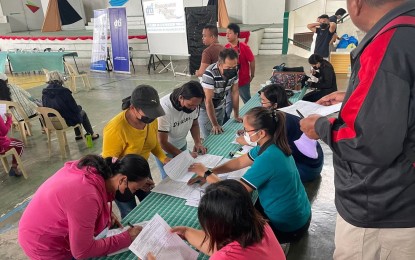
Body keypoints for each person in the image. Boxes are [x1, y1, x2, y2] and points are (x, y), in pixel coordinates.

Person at [299, 0, 415, 259]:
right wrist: (354, 95)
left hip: (383, 206)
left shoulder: (388, 43)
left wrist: (318, 125)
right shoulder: (409, 29)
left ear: (357, 3)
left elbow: (367, 141)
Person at [190, 107, 311, 243]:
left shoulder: (269, 157)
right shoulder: (271, 145)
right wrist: (213, 171)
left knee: (230, 225)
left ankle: (273, 244)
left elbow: (233, 194)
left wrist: (206, 174)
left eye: (247, 131)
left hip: (287, 228)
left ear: (261, 133)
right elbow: (240, 161)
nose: (244, 134)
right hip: (299, 215)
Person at [18, 154, 150, 259]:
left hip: (46, 226)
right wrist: (126, 237)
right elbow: (82, 251)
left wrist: (102, 213)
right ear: (122, 180)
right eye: (134, 189)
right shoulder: (86, 196)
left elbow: (75, 207)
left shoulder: (98, 170)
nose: (133, 193)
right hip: (43, 243)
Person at [172, 180, 285, 259]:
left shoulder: (225, 257)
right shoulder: (260, 224)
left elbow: (225, 255)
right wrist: (186, 232)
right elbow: (228, 251)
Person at [102, 85, 168, 218]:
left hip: (141, 169)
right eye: (148, 113)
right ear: (133, 108)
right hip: (122, 178)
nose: (152, 117)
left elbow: (153, 144)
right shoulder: (116, 128)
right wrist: (131, 183)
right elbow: (108, 165)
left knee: (151, 206)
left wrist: (164, 158)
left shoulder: (151, 120)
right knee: (130, 214)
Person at [236, 84, 324, 182]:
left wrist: (247, 140)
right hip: (314, 160)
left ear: (275, 105)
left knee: (265, 172)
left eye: (263, 101)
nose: (261, 104)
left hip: (307, 169)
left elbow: (268, 144)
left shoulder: (282, 122)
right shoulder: (285, 110)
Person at [156, 81, 207, 179]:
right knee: (169, 179)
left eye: (196, 106)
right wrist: (184, 156)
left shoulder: (195, 103)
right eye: (190, 105)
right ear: (181, 98)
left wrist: (197, 142)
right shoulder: (164, 108)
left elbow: (194, 124)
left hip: (182, 144)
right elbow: (162, 142)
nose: (193, 108)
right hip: (164, 151)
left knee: (185, 175)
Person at [42, 71, 99, 141]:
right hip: (65, 121)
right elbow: (74, 108)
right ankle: (91, 134)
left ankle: (78, 135)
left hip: (51, 122)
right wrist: (79, 107)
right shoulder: (64, 91)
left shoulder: (44, 93)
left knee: (72, 113)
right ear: (60, 78)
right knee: (81, 112)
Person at [199, 48, 242, 139]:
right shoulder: (209, 74)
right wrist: (214, 124)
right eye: (228, 67)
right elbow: (208, 101)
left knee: (221, 133)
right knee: (210, 138)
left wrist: (236, 115)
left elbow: (235, 92)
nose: (232, 70)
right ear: (219, 65)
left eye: (234, 66)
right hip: (206, 109)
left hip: (220, 105)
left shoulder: (235, 70)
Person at [225, 23, 255, 104]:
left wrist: (252, 75)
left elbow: (252, 60)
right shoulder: (226, 48)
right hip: (230, 81)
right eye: (226, 33)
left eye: (229, 33)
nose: (227, 35)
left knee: (247, 101)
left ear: (236, 34)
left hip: (243, 80)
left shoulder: (244, 47)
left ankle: (251, 115)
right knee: (229, 103)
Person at [0, 108, 24, 177]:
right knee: (20, 144)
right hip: (2, 145)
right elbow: (4, 131)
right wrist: (9, 119)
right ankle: (14, 165)